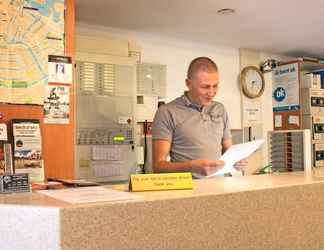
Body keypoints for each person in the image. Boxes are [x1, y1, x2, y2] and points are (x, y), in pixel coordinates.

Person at [152, 57, 247, 176]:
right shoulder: (167, 112)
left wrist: (237, 161)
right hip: (187, 190)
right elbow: (158, 166)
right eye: (205, 87)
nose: (211, 93)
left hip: (219, 187)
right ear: (188, 84)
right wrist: (191, 167)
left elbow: (228, 150)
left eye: (215, 86)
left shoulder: (220, 109)